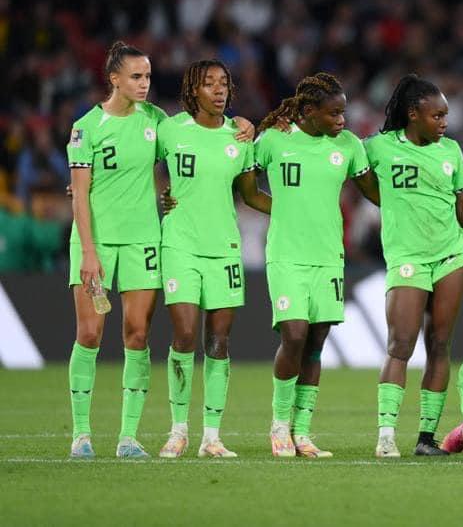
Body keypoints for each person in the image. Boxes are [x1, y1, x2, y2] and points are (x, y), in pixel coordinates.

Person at [255, 72, 379, 458]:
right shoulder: (274, 140)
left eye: (344, 112)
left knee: (315, 344)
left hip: (328, 257)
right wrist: (285, 213)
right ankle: (279, 426)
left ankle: (303, 432)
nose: (342, 120)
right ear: (308, 111)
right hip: (287, 255)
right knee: (293, 335)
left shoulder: (349, 146)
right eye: (334, 113)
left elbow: (376, 194)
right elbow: (241, 185)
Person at [367, 74, 463, 458]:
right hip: (407, 258)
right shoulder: (379, 147)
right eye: (437, 116)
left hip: (450, 256)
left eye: (445, 116)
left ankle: (425, 439)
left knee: (439, 346)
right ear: (413, 114)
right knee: (400, 345)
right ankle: (386, 435)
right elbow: (346, 163)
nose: (444, 123)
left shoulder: (451, 151)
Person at [156, 60, 271, 459]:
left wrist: (294, 207)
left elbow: (252, 195)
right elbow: (141, 164)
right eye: (209, 84)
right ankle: (177, 430)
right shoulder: (171, 130)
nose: (219, 90)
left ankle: (212, 437)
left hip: (224, 248)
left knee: (219, 342)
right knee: (185, 335)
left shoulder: (240, 137)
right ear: (193, 90)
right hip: (180, 245)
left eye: (224, 83)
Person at [66, 42, 167, 458]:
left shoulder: (155, 121)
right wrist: (89, 253)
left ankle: (128, 436)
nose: (144, 84)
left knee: (138, 334)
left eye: (147, 77)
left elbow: (194, 145)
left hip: (144, 239)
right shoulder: (86, 127)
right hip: (97, 242)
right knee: (90, 334)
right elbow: (79, 194)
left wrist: (243, 126)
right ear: (115, 79)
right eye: (136, 77)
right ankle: (81, 434)